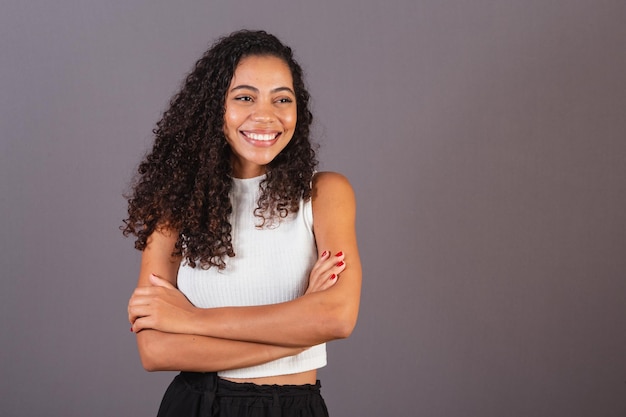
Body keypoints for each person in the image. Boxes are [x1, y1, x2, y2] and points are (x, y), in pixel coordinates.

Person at [123, 29, 361, 417]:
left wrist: (192, 319)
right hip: (198, 405)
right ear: (214, 107)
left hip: (295, 407)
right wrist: (299, 336)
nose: (265, 115)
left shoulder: (324, 193)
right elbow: (155, 350)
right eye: (245, 97)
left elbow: (337, 316)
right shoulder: (176, 203)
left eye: (281, 99)